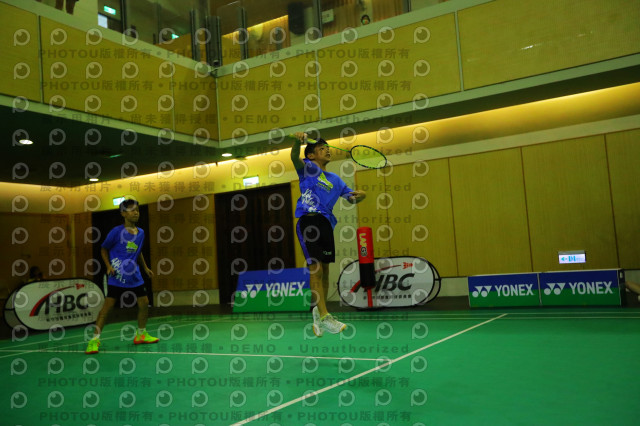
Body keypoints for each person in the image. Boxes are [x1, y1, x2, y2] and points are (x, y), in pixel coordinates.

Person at [290, 132, 366, 336]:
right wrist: (297, 142)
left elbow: (351, 198)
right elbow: (294, 156)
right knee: (315, 269)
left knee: (325, 270)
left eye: (328, 148)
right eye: (322, 148)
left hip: (326, 224)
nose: (327, 150)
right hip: (309, 221)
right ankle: (325, 316)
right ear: (311, 155)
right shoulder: (307, 168)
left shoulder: (336, 180)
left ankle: (318, 310)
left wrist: (361, 195)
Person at [86, 199, 157, 354]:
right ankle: (94, 340)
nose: (136, 213)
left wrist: (145, 268)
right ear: (123, 213)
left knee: (144, 302)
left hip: (135, 275)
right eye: (132, 210)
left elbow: (138, 251)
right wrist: (108, 266)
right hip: (117, 275)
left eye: (137, 210)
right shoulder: (116, 232)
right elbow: (103, 249)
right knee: (107, 308)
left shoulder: (141, 233)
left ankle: (141, 334)